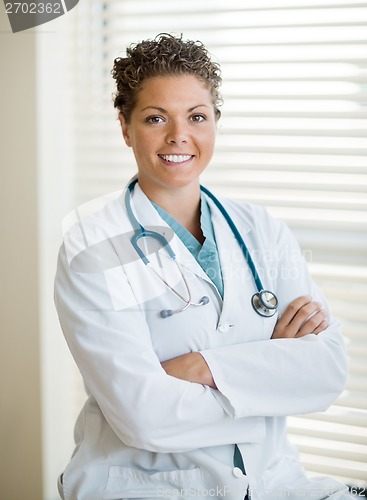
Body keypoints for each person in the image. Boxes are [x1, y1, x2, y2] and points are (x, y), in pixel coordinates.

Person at [54, 34, 353, 500]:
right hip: (146, 486)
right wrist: (270, 374)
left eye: (197, 116)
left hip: (271, 481)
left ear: (215, 122)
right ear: (125, 127)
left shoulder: (262, 229)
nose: (179, 136)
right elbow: (143, 416)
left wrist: (197, 367)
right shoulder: (92, 247)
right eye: (156, 118)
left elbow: (327, 371)